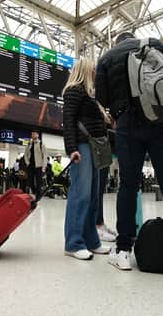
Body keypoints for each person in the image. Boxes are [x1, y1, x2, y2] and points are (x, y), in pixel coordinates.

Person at [96, 33, 163, 279]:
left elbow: (101, 97)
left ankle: (123, 252)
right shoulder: (153, 44)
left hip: (127, 125)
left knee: (128, 186)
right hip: (161, 120)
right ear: (135, 37)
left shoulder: (107, 58)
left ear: (118, 42)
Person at [62, 58, 110, 260]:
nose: (95, 73)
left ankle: (92, 241)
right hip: (82, 147)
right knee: (80, 196)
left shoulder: (90, 94)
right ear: (85, 69)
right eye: (93, 69)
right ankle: (73, 243)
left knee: (92, 196)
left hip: (94, 148)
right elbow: (68, 121)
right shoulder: (74, 90)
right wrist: (72, 148)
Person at [24, 131, 48, 201]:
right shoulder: (29, 144)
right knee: (30, 181)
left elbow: (45, 156)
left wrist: (44, 167)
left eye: (34, 134)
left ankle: (38, 196)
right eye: (32, 134)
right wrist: (27, 163)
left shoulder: (41, 144)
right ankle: (35, 192)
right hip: (31, 166)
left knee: (38, 182)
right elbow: (25, 154)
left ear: (37, 135)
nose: (33, 135)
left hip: (39, 166)